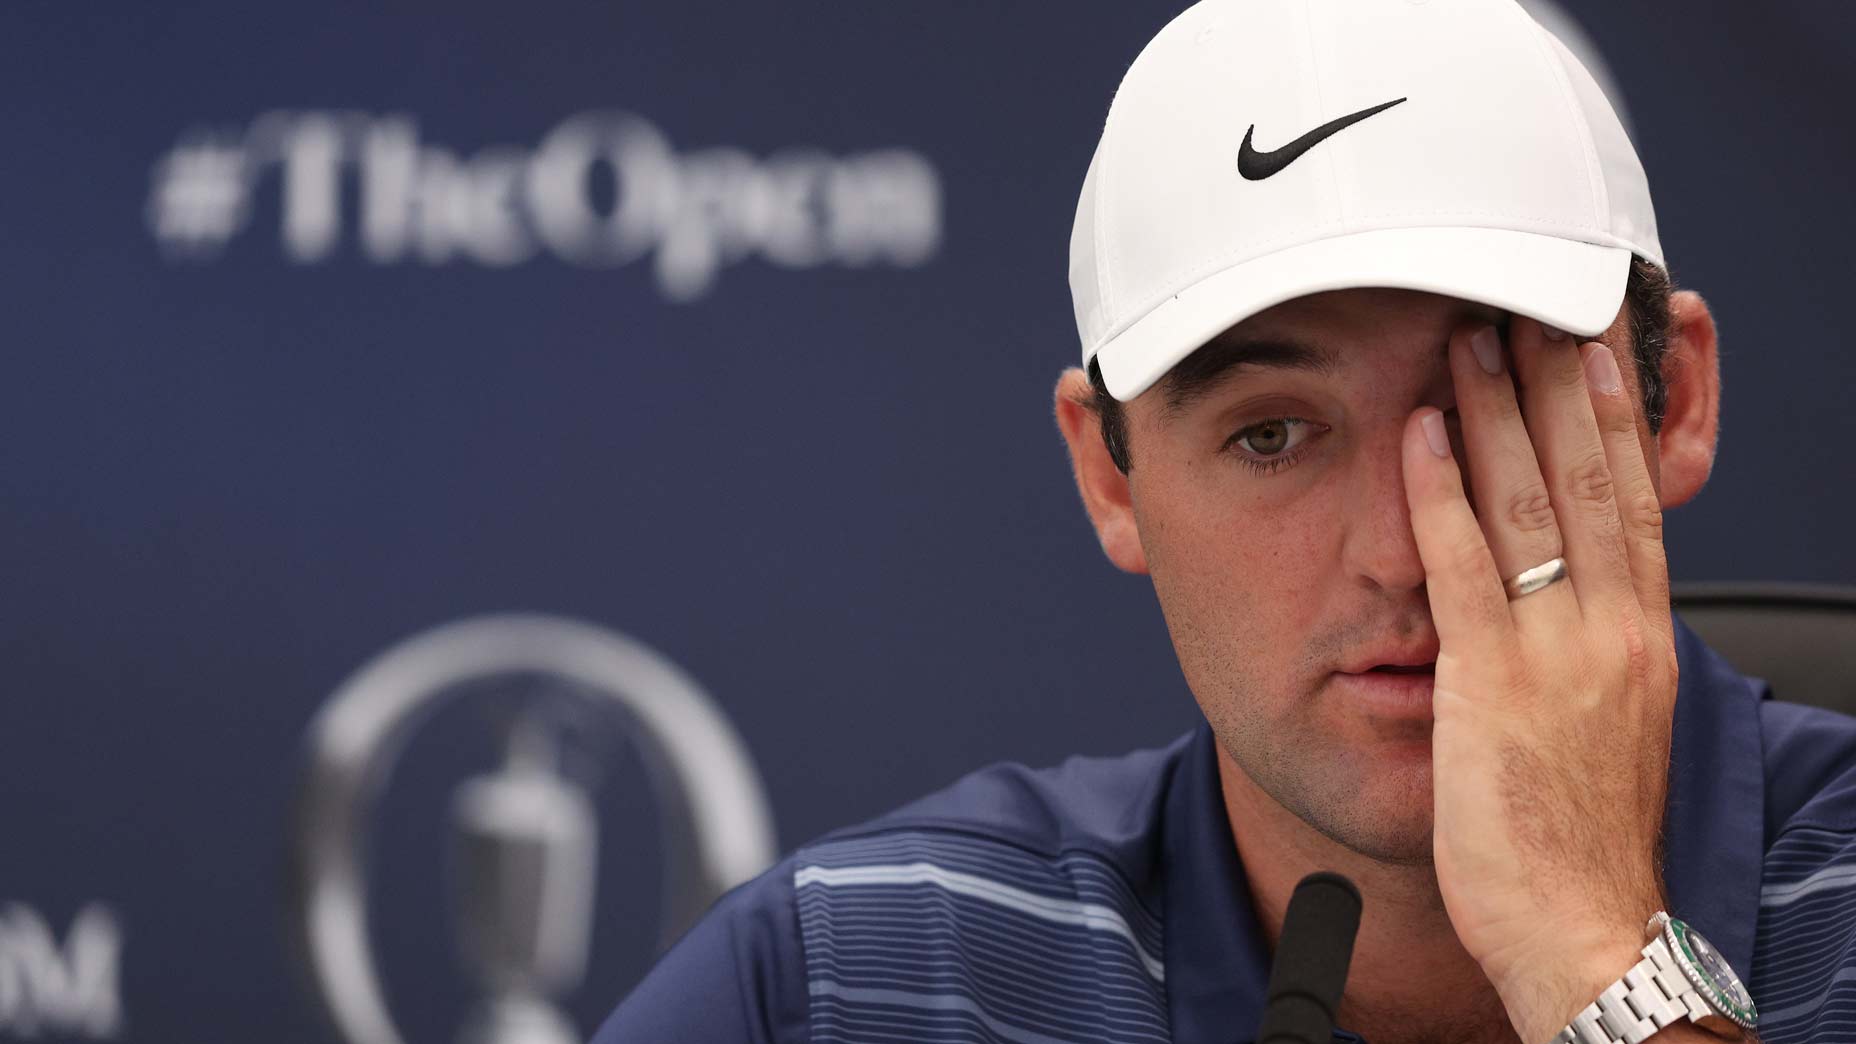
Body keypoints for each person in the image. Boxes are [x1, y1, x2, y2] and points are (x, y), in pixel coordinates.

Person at [594, 1, 1856, 1041]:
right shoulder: (844, 986)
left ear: (1673, 405)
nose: (1399, 554)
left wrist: (1593, 956)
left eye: (1491, 405)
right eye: (1270, 436)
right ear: (1108, 478)